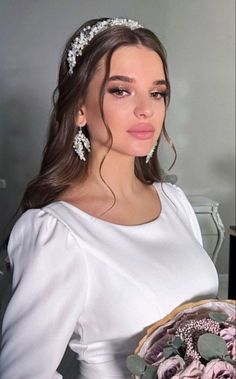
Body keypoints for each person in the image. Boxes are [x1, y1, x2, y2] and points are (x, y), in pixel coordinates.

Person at [0, 17, 218, 379]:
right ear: (79, 109)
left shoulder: (174, 203)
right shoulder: (56, 233)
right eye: (121, 90)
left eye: (157, 92)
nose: (146, 109)